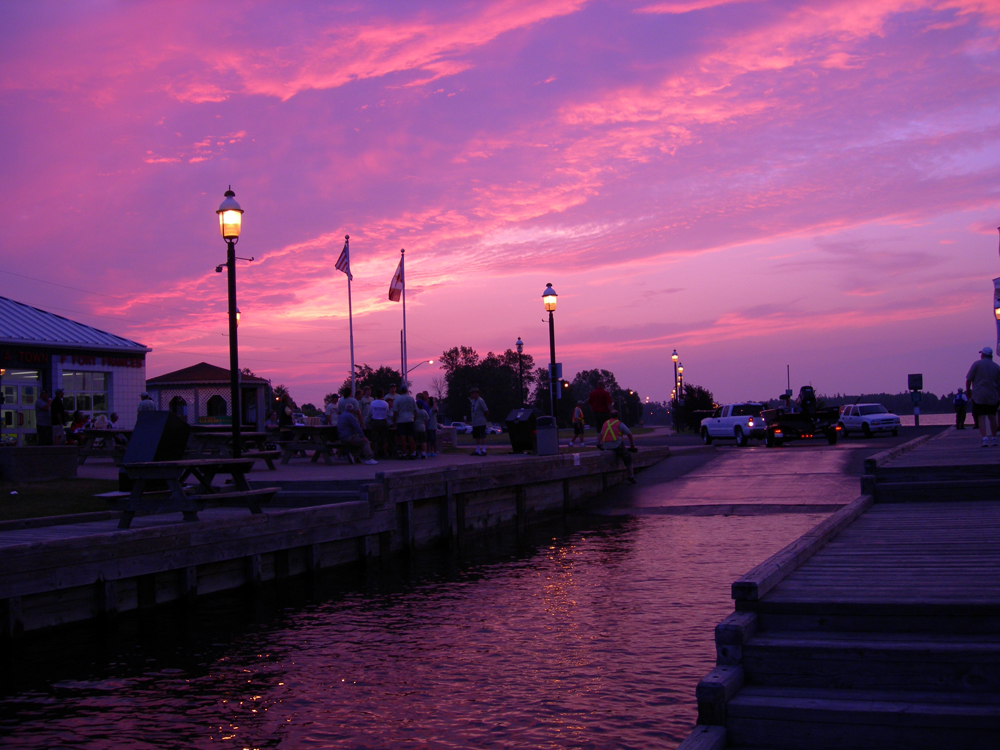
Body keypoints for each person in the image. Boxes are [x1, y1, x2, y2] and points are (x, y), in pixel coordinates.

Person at [965, 346, 1000, 447]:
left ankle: (984, 438)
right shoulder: (996, 367)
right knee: (992, 416)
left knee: (981, 417)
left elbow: (969, 379)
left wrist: (968, 391)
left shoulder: (976, 364)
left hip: (979, 396)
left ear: (983, 355)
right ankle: (994, 438)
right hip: (992, 396)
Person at [601, 409, 637, 483]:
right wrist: (632, 446)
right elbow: (629, 435)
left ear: (610, 416)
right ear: (618, 416)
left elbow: (601, 434)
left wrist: (600, 444)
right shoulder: (619, 424)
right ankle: (631, 476)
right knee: (628, 458)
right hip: (617, 445)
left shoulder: (605, 423)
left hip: (606, 445)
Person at [392, 385, 418, 459]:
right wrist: (414, 419)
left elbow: (395, 412)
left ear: (400, 391)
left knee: (402, 438)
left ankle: (404, 453)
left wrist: (394, 421)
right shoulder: (411, 399)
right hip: (410, 419)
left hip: (401, 420)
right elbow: (415, 411)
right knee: (411, 437)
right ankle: (412, 453)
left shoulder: (397, 399)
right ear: (407, 390)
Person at [588, 380, 613, 449]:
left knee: (599, 429)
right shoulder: (605, 393)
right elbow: (609, 404)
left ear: (597, 385)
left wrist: (593, 410)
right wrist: (612, 412)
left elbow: (589, 403)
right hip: (605, 413)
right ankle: (605, 442)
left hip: (596, 413)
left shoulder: (592, 393)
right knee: (606, 428)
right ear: (603, 385)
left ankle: (599, 443)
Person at [368, 389, 390, 458]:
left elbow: (371, 413)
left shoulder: (372, 403)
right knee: (385, 438)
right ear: (382, 395)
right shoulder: (385, 403)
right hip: (383, 420)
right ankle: (385, 453)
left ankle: (375, 453)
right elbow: (387, 413)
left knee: (374, 439)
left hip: (375, 421)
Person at [469, 386, 489, 456]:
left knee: (482, 436)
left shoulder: (480, 400)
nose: (472, 394)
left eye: (473, 393)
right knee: (476, 436)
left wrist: (485, 418)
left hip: (481, 421)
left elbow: (486, 410)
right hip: (475, 422)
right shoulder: (473, 401)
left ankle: (484, 450)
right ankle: (477, 450)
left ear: (477, 393)